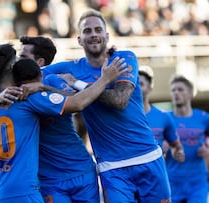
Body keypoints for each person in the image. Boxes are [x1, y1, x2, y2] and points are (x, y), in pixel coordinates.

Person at [0, 44, 126, 203]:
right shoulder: (26, 98)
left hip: (2, 189)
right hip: (27, 190)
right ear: (11, 66)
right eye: (17, 59)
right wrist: (105, 79)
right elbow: (77, 103)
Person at [42, 9, 172, 202]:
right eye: (87, 31)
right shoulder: (70, 68)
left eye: (97, 29)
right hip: (112, 168)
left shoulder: (123, 59)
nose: (93, 34)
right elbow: (23, 74)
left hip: (147, 158)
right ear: (79, 39)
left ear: (106, 35)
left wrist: (77, 84)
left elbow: (120, 100)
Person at [18, 35, 100, 202]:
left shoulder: (52, 80)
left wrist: (44, 88)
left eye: (23, 57)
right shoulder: (13, 88)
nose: (17, 61)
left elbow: (75, 97)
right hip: (50, 179)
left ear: (39, 62)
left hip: (80, 170)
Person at [166, 75, 209, 203]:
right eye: (173, 90)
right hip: (172, 181)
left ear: (190, 93)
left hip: (197, 182)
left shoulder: (204, 118)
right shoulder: (165, 119)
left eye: (180, 89)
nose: (176, 93)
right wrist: (160, 146)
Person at [139, 65, 185, 162]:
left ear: (150, 89)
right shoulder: (121, 116)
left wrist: (176, 153)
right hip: (130, 175)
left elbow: (176, 146)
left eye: (141, 84)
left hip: (156, 175)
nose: (136, 87)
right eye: (134, 83)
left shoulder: (163, 117)